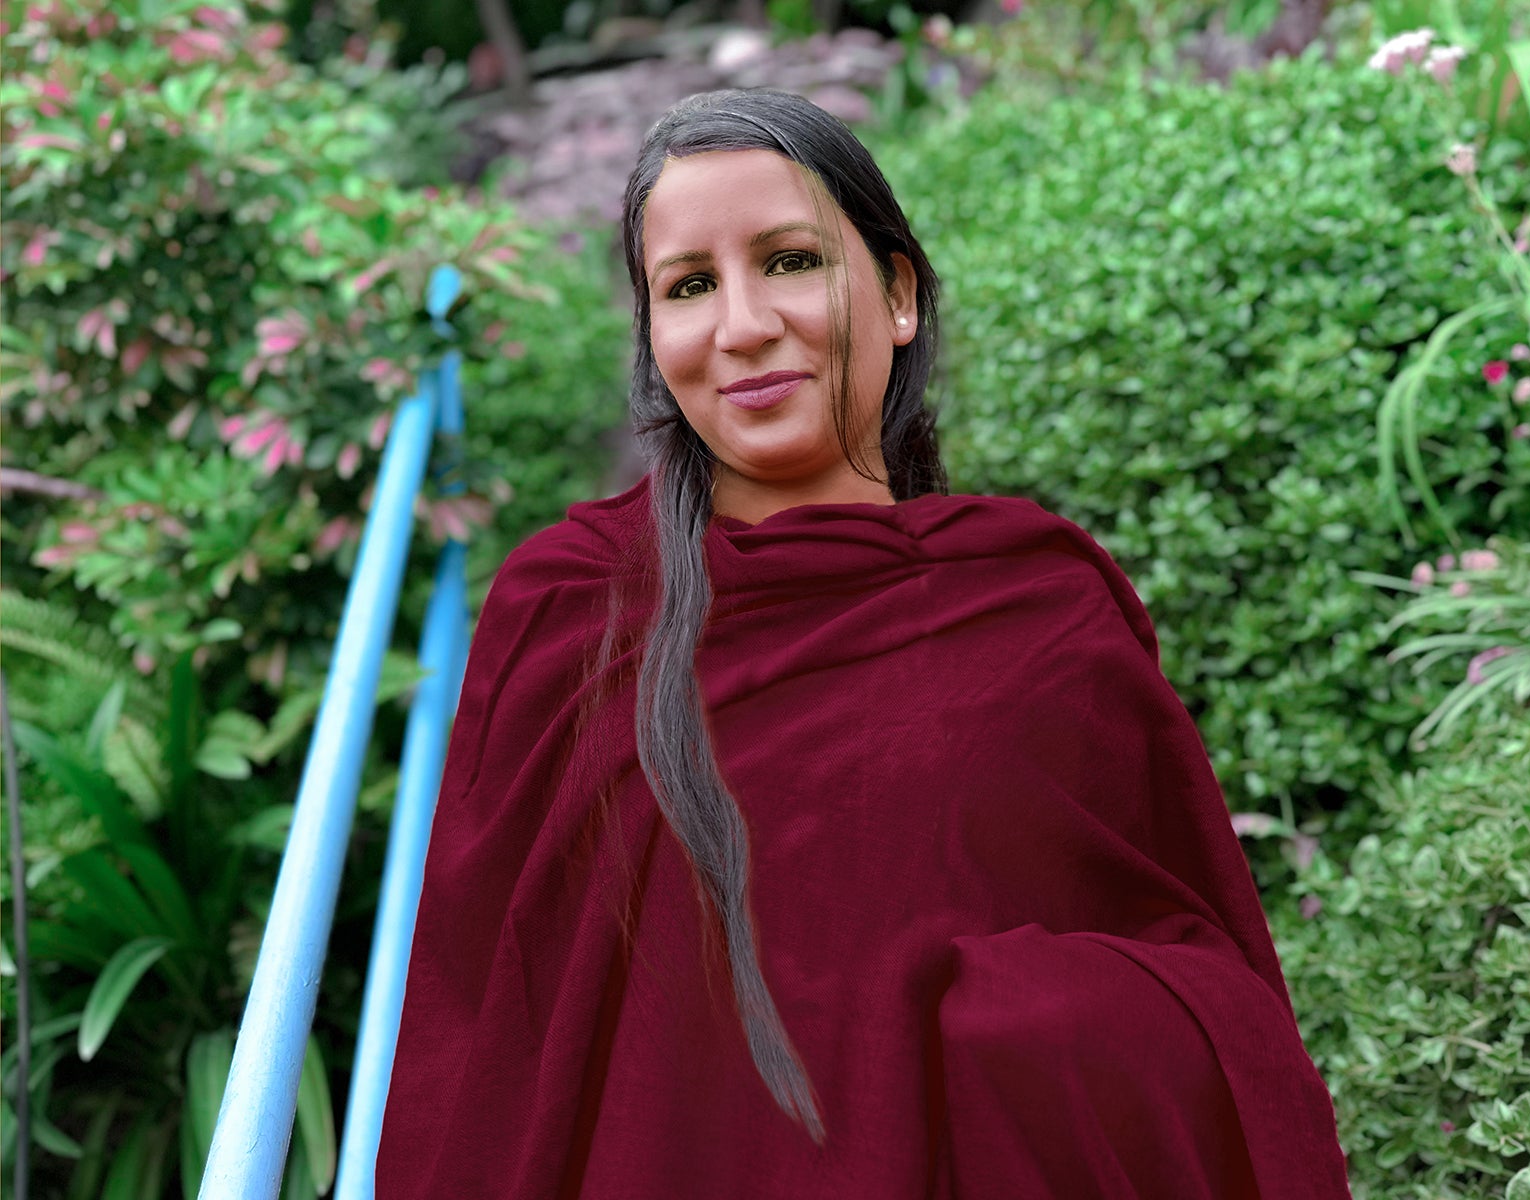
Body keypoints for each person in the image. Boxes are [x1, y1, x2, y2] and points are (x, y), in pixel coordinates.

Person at [377, 88, 1352, 1198]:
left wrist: (1044, 1024)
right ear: (654, 337)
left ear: (895, 293)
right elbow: (482, 1024)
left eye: (790, 261)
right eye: (688, 287)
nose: (742, 325)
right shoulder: (569, 610)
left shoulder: (1038, 600)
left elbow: (1202, 964)